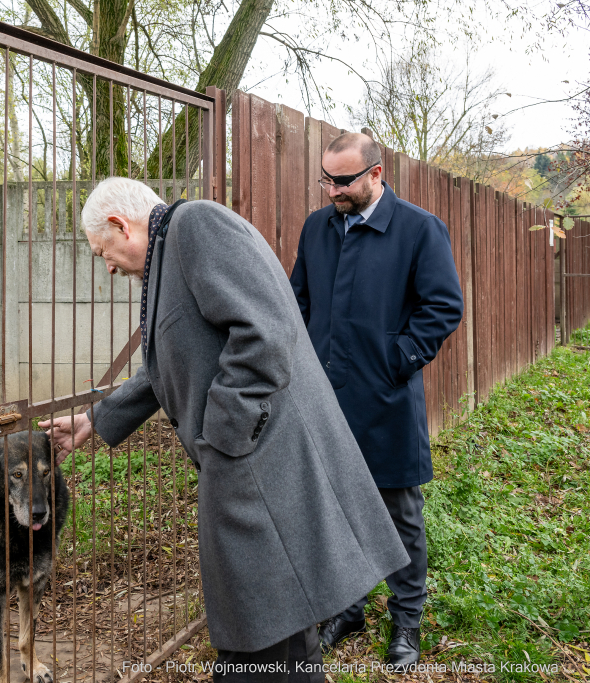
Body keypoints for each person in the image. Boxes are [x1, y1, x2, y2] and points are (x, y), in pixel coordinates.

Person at [39, 177, 409, 683]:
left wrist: (222, 437)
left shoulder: (196, 226)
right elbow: (169, 360)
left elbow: (265, 330)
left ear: (119, 225)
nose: (106, 265)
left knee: (262, 640)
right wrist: (96, 420)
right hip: (251, 469)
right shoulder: (170, 254)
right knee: (272, 638)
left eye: (102, 250)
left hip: (260, 467)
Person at [289, 133, 464, 668]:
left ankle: (406, 621)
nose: (332, 191)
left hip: (386, 399)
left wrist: (397, 360)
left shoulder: (418, 230)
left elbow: (443, 307)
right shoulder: (317, 228)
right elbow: (299, 298)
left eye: (342, 181)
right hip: (325, 399)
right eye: (326, 179)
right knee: (335, 509)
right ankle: (349, 607)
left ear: (376, 174)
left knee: (398, 515)